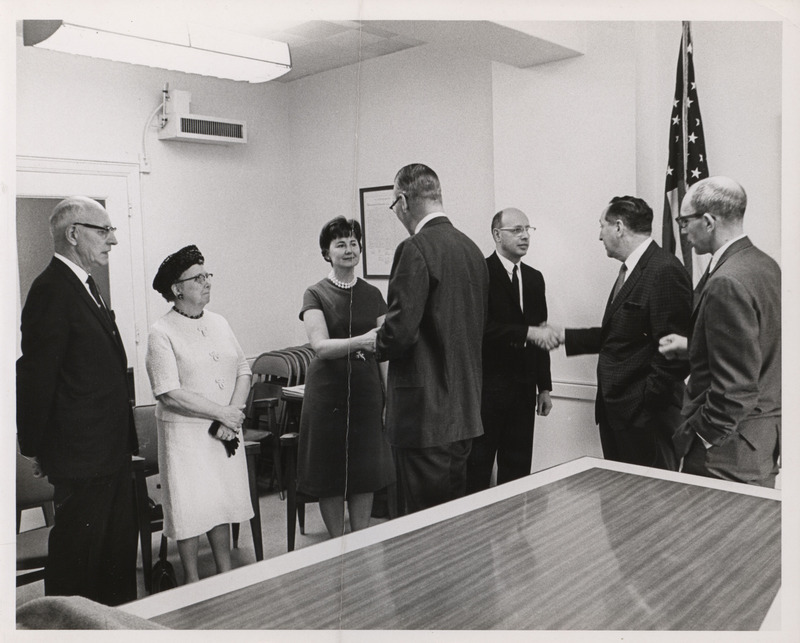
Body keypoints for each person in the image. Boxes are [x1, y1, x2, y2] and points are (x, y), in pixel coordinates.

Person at [16, 196, 139, 605]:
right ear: (73, 234)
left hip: (109, 450)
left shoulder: (86, 287)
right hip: (81, 454)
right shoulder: (51, 289)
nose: (113, 240)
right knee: (79, 561)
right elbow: (36, 377)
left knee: (114, 556)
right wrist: (35, 446)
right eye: (104, 231)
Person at [375, 163, 489, 515]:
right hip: (465, 410)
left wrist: (375, 341)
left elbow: (399, 333)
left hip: (425, 416)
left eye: (395, 207)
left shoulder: (415, 249)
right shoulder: (472, 250)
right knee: (454, 518)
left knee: (422, 526)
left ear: (404, 200)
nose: (398, 215)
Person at [547, 196, 692, 470]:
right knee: (623, 505)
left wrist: (646, 405)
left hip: (644, 419)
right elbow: (621, 333)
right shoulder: (632, 269)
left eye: (602, 226)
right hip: (619, 415)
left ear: (618, 226)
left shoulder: (664, 270)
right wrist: (565, 335)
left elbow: (675, 354)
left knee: (649, 505)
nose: (599, 236)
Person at [659, 177, 781, 487]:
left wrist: (700, 436)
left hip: (725, 454)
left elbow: (736, 389)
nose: (683, 231)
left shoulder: (726, 281)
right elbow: (759, 348)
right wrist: (694, 347)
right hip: (759, 444)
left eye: (684, 221)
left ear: (709, 221)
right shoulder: (765, 265)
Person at [146, 245, 253, 583]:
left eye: (208, 275)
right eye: (198, 278)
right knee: (190, 507)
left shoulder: (219, 322)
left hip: (223, 432)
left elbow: (243, 368)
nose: (207, 282)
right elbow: (169, 392)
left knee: (220, 500)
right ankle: (191, 579)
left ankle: (224, 571)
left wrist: (231, 414)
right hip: (185, 436)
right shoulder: (161, 331)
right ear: (177, 289)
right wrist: (222, 413)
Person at [297, 217, 394, 538]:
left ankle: (361, 539)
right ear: (327, 252)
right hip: (328, 396)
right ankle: (337, 542)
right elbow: (321, 346)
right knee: (330, 472)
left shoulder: (373, 293)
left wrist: (388, 396)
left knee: (365, 471)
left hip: (367, 393)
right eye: (340, 244)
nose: (349, 249)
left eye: (354, 243)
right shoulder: (315, 293)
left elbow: (384, 350)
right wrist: (362, 341)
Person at [466, 208, 553, 493]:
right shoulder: (480, 273)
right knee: (478, 467)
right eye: (516, 230)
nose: (525, 235)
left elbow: (541, 332)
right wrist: (525, 332)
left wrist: (545, 387)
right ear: (496, 234)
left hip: (524, 390)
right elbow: (480, 328)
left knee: (517, 469)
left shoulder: (534, 278)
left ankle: (512, 530)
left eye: (528, 229)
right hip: (487, 390)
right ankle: (477, 532)